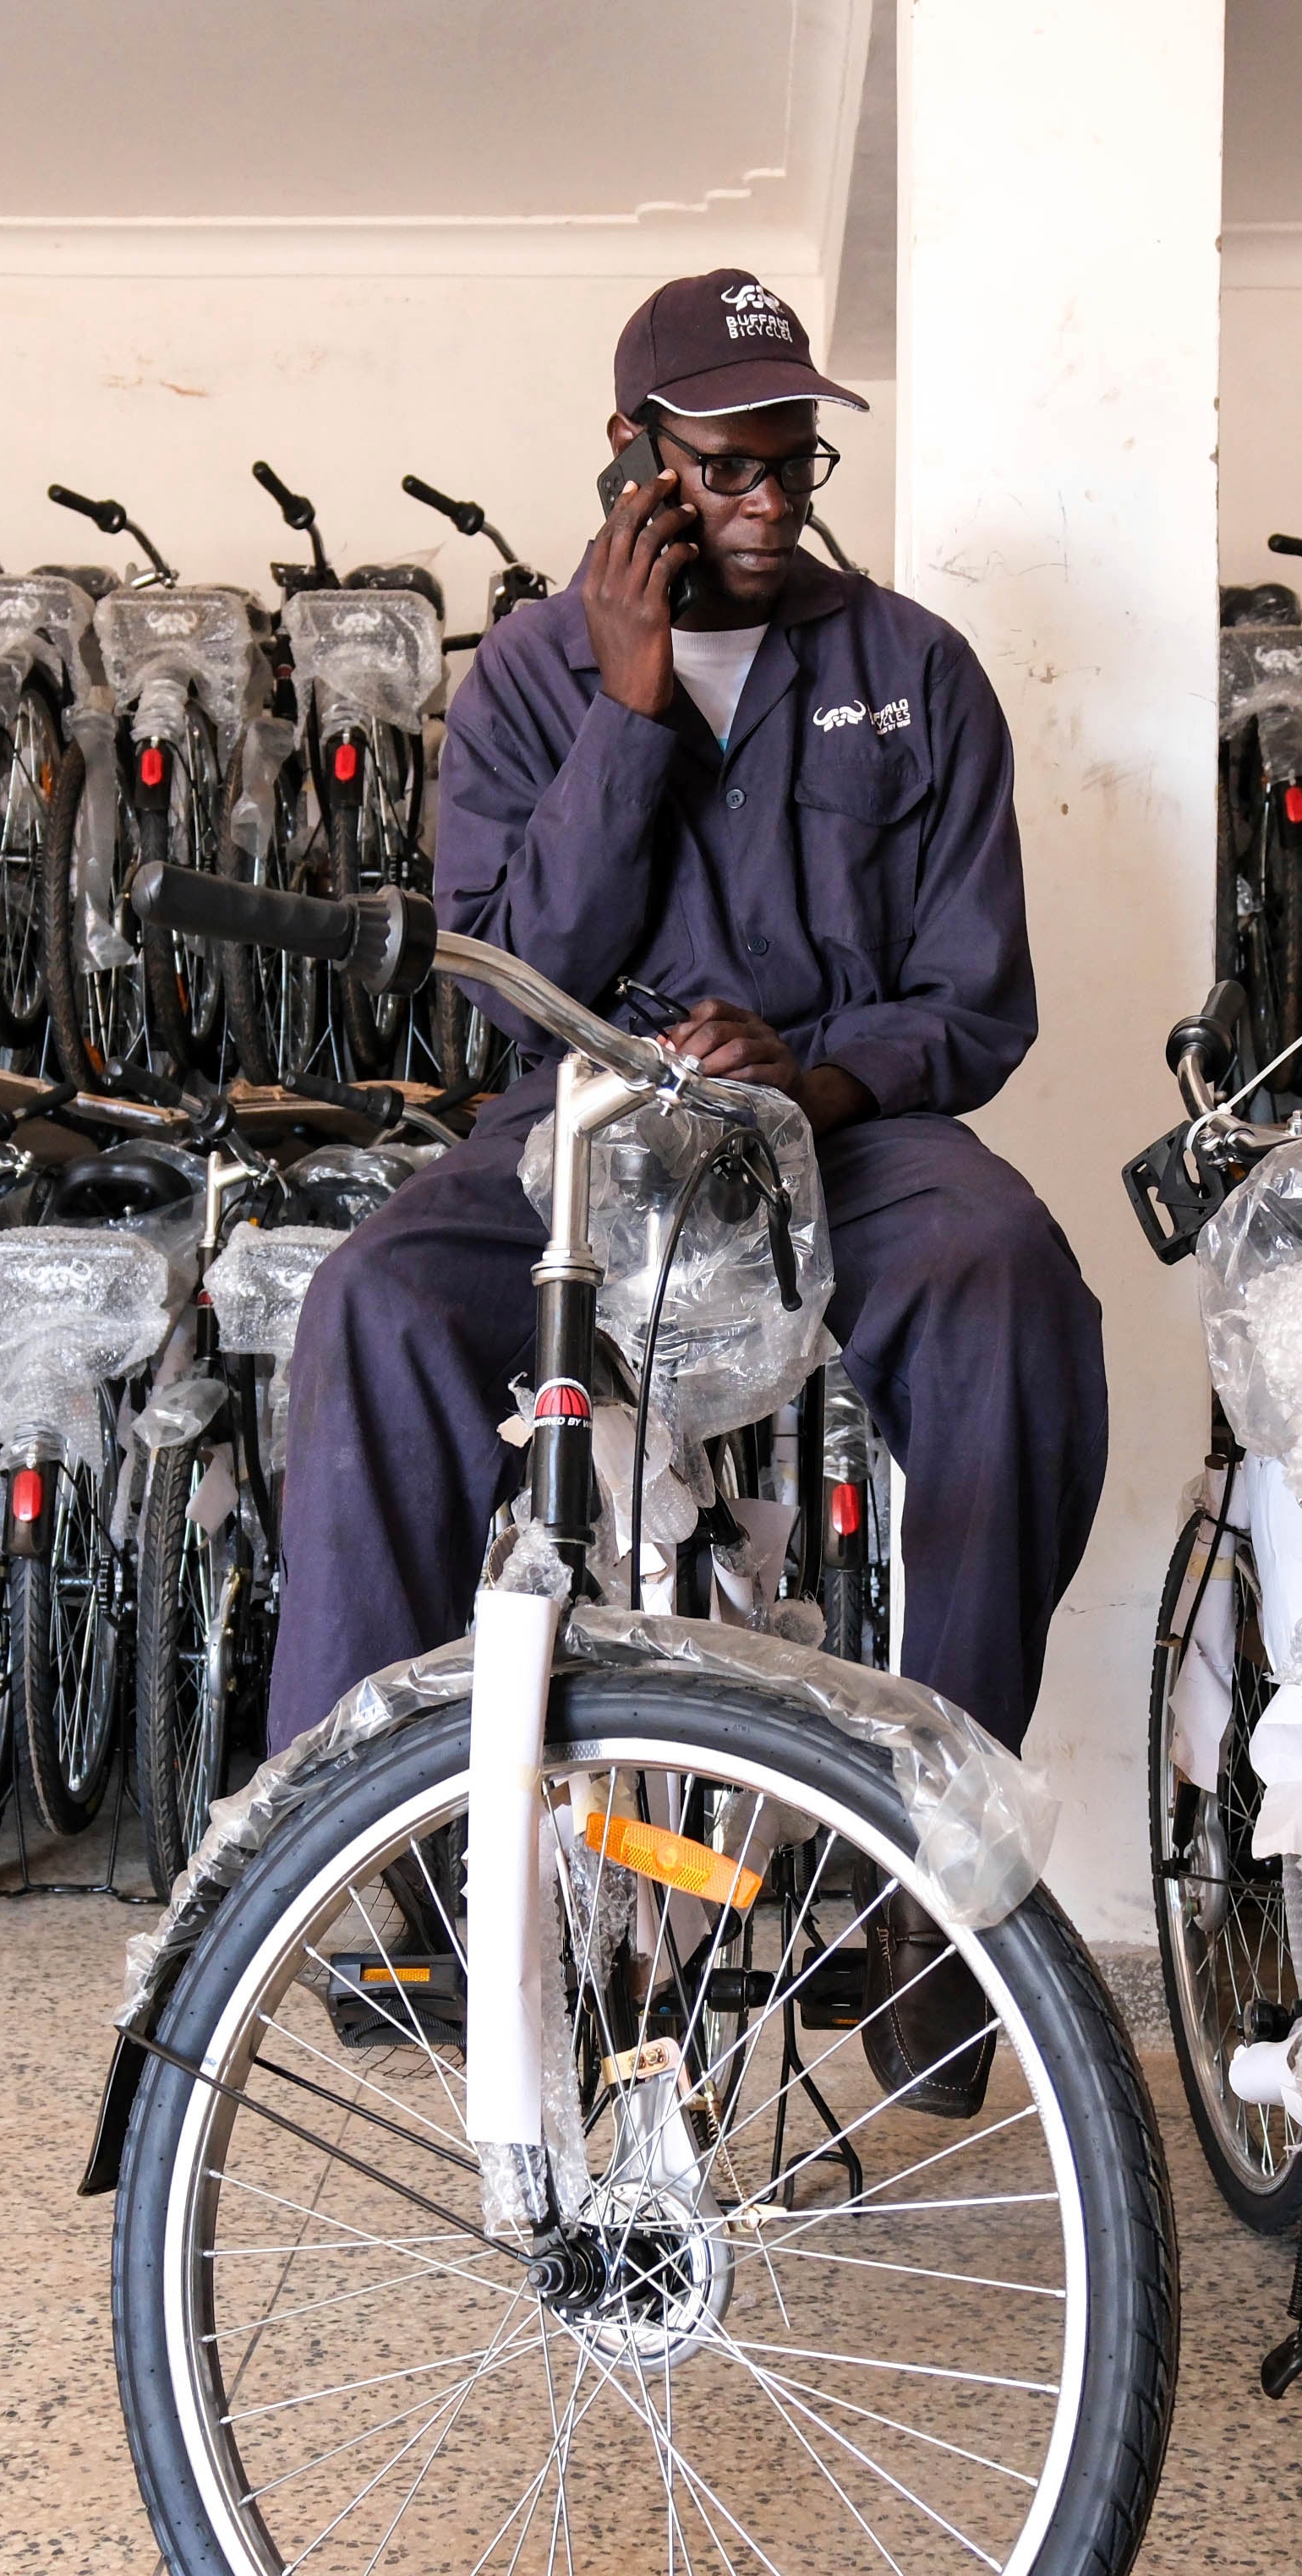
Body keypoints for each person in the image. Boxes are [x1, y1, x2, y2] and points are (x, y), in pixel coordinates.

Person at [269, 268, 1109, 1768]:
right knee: (373, 1307)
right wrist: (630, 709)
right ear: (630, 456)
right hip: (579, 1133)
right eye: (728, 467)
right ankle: (358, 1862)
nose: (774, 502)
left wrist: (822, 1081)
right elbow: (517, 975)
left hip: (843, 1134)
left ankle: (943, 1842)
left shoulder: (914, 672)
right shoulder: (529, 678)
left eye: (796, 463)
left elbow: (975, 1000)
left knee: (1012, 1280)